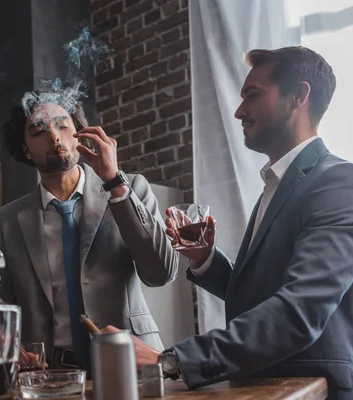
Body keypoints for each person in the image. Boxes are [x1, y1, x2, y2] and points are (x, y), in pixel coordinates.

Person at [110, 46, 353, 400]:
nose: (239, 111)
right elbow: (262, 294)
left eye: (252, 96)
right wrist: (206, 258)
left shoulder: (339, 182)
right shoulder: (276, 185)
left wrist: (171, 362)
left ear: (299, 95)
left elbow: (299, 313)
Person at [0, 86, 179, 371]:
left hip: (130, 360)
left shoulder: (130, 188)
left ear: (79, 134)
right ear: (26, 150)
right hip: (49, 372)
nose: (54, 136)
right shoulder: (6, 221)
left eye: (63, 125)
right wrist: (9, 345)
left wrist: (115, 184)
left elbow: (161, 272)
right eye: (38, 132)